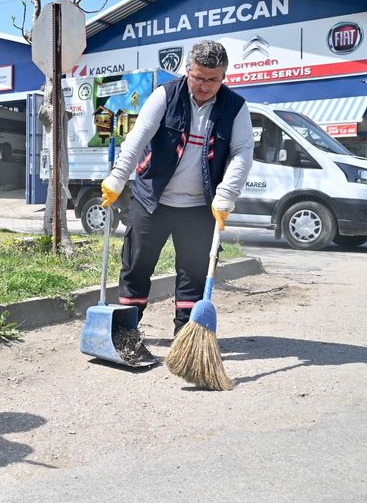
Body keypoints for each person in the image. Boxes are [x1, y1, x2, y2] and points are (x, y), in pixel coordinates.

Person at [100, 40, 253, 337]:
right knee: (136, 267)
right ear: (187, 71)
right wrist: (118, 177)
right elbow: (138, 137)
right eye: (199, 78)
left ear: (223, 76)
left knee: (194, 276)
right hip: (152, 201)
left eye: (213, 80)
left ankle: (186, 339)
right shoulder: (165, 96)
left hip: (199, 207)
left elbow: (242, 153)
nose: (205, 86)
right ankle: (125, 332)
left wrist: (226, 195)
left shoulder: (236, 108)